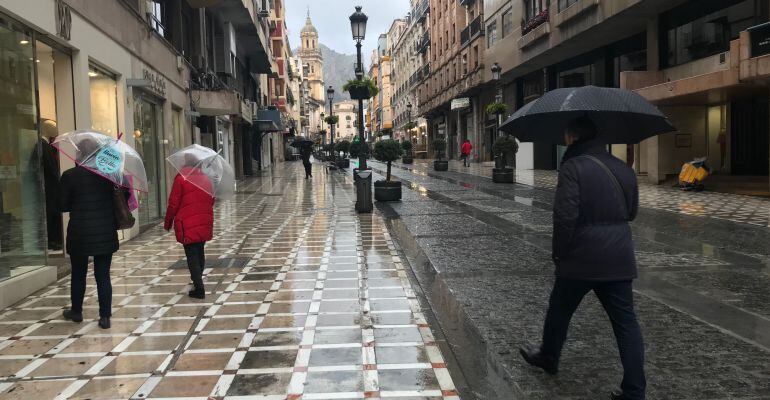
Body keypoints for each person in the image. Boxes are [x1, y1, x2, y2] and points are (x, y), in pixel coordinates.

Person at [519, 117, 645, 400]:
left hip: (580, 258)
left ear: (572, 137)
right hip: (619, 258)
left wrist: (559, 253)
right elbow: (632, 212)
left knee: (559, 309)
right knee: (626, 324)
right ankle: (635, 390)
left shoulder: (573, 167)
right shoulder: (623, 169)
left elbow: (565, 216)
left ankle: (549, 356)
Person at [60, 138, 124, 329]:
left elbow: (62, 205)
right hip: (104, 232)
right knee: (103, 275)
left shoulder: (69, 176)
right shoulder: (110, 175)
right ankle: (105, 317)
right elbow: (123, 199)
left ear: (79, 154)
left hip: (79, 233)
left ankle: (77, 311)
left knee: (78, 273)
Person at [164, 154, 215, 299]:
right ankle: (197, 279)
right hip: (203, 222)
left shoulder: (181, 179)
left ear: (185, 163)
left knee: (192, 255)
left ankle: (199, 288)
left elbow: (173, 204)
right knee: (199, 251)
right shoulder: (206, 179)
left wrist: (168, 222)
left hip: (187, 224)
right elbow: (211, 200)